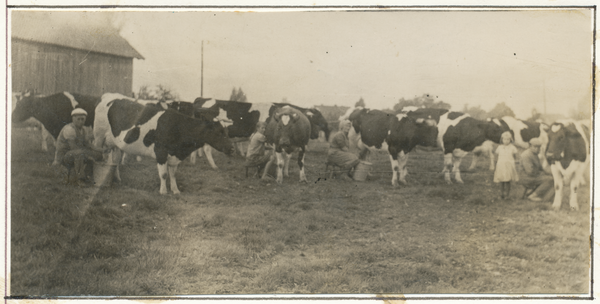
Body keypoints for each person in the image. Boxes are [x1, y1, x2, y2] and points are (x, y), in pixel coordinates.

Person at [52, 108, 103, 185]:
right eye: (78, 119)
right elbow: (73, 147)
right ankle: (80, 179)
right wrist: (88, 155)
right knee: (79, 154)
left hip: (76, 153)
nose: (80, 121)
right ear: (73, 119)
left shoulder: (83, 130)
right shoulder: (69, 129)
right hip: (64, 156)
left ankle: (89, 177)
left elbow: (88, 145)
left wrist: (101, 150)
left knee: (97, 154)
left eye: (82, 119)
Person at [519, 138, 555, 202]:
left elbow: (541, 168)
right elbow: (530, 171)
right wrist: (541, 174)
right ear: (530, 146)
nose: (537, 149)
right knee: (549, 179)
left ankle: (546, 197)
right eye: (535, 147)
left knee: (552, 178)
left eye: (539, 147)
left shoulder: (534, 154)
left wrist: (552, 173)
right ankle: (534, 195)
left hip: (532, 176)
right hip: (526, 178)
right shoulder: (526, 155)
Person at [494, 131, 519, 199]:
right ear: (502, 140)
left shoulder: (512, 147)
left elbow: (514, 156)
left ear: (510, 140)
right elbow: (496, 155)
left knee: (507, 180)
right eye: (504, 139)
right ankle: (501, 194)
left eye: (508, 139)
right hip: (501, 165)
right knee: (501, 180)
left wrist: (513, 162)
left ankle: (507, 195)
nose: (506, 141)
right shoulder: (500, 147)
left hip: (509, 165)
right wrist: (496, 163)